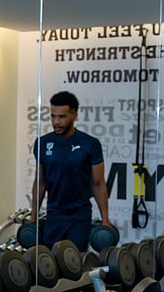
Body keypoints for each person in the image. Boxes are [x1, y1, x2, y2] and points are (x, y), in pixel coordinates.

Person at [30, 91, 111, 251]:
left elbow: (98, 184)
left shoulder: (90, 144)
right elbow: (40, 183)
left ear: (74, 115)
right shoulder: (42, 143)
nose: (56, 122)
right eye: (53, 116)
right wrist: (33, 219)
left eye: (62, 117)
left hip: (79, 216)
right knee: (49, 262)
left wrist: (105, 220)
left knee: (74, 260)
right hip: (54, 215)